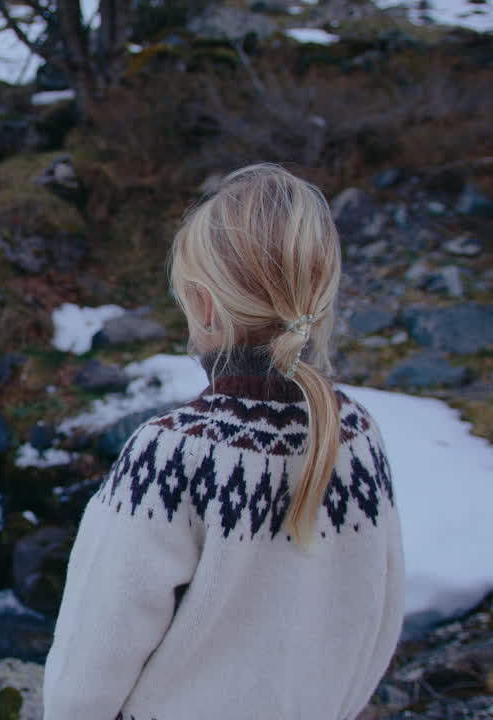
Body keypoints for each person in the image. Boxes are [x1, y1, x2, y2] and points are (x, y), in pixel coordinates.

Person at [42, 164, 404, 720]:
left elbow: (80, 685)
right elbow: (379, 622)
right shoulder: (356, 434)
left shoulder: (170, 457)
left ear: (206, 307)